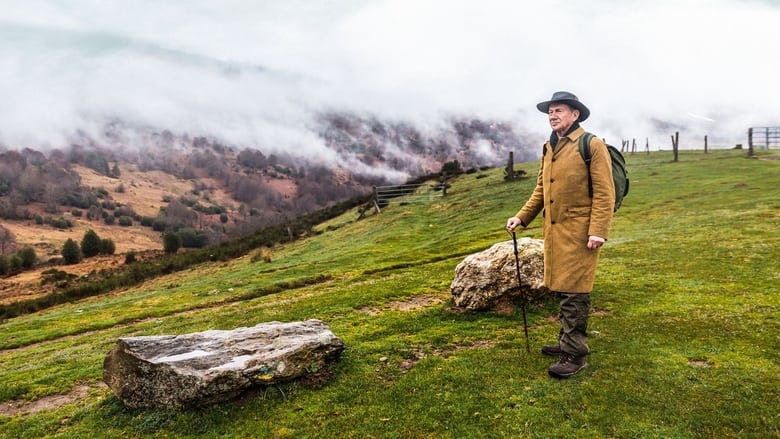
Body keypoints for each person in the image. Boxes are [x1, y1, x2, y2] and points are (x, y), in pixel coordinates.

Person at [506, 91, 615, 379]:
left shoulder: (591, 145)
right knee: (562, 287)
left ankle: (575, 354)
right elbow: (542, 189)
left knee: (575, 291)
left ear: (575, 114)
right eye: (550, 111)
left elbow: (605, 193)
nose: (552, 116)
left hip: (581, 232)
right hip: (555, 231)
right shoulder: (550, 146)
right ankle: (567, 340)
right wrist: (522, 216)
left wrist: (598, 231)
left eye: (559, 111)